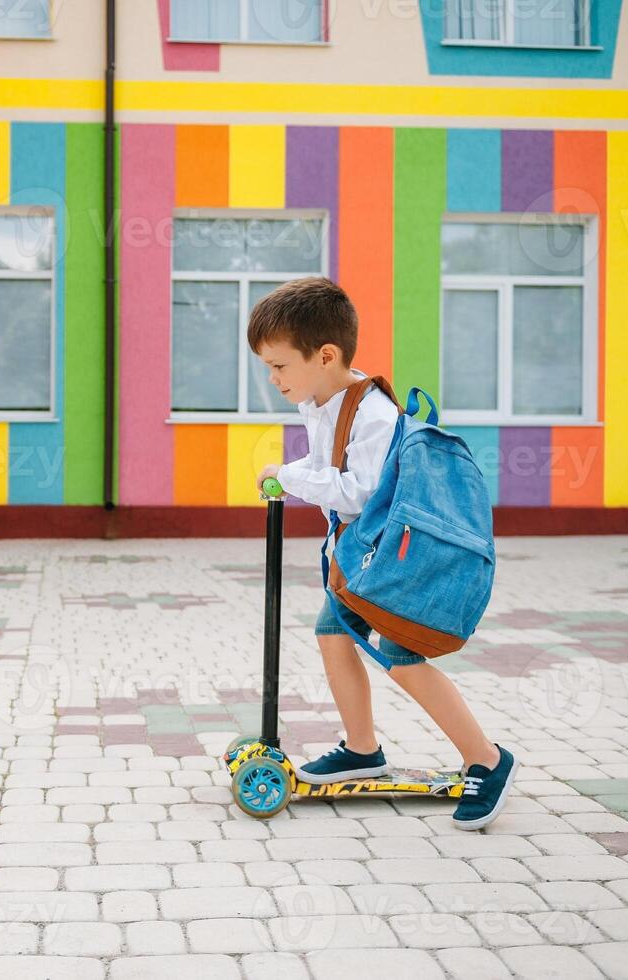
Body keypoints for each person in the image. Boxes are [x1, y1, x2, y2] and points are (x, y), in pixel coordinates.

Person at [251, 276, 517, 831]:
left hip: (396, 563)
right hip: (365, 556)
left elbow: (360, 490)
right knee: (331, 633)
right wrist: (297, 480)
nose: (271, 378)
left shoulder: (369, 411)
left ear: (325, 355)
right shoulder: (319, 399)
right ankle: (363, 748)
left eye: (279, 365)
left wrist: (289, 475)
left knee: (400, 656)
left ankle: (487, 760)